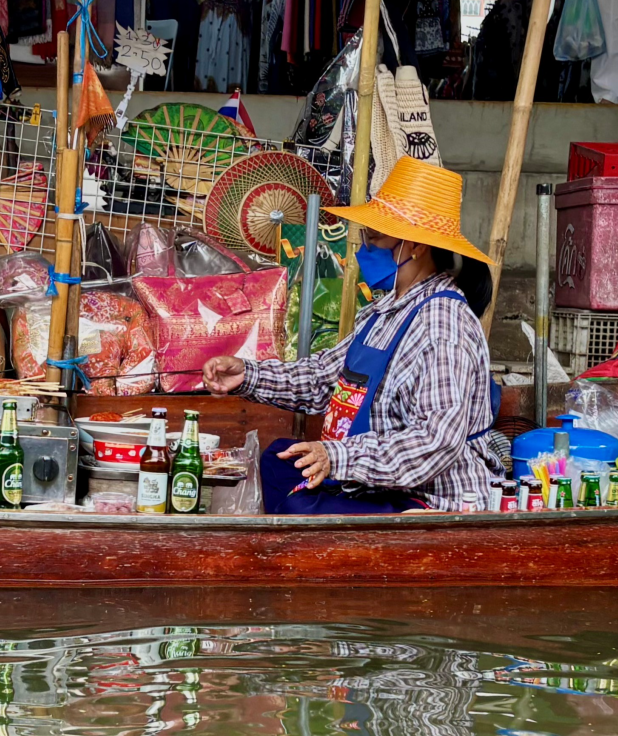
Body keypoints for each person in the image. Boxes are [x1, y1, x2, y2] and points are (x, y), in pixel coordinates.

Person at [201, 157, 503, 513]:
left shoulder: (445, 323)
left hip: (427, 498)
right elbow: (322, 378)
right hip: (367, 481)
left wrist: (336, 456)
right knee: (277, 461)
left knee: (305, 511)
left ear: (416, 246)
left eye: (374, 239)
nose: (365, 250)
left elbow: (435, 442)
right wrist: (248, 375)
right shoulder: (383, 311)